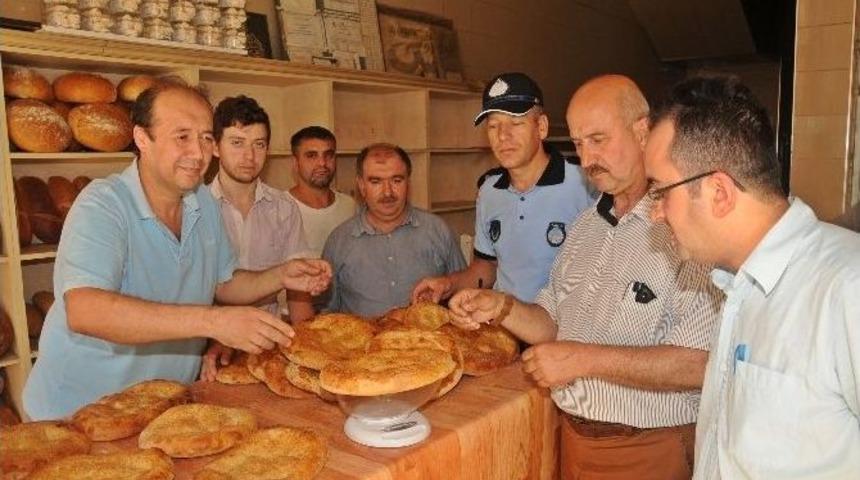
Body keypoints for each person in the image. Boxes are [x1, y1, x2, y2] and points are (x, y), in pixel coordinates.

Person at [447, 75, 722, 480]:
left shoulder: (686, 228)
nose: (587, 157)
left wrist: (580, 359)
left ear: (643, 131)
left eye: (598, 139)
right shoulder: (584, 228)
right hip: (573, 438)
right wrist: (500, 307)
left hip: (649, 448)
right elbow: (550, 323)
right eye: (577, 143)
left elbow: (699, 364)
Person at [22, 81, 331, 420]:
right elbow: (86, 311)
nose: (199, 154)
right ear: (142, 138)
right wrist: (213, 322)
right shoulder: (103, 204)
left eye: (206, 137)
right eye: (182, 136)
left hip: (163, 407)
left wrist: (281, 275)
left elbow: (223, 283)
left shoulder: (202, 202)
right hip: (80, 412)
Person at [645, 76, 860, 479]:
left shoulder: (846, 287)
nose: (655, 212)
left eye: (660, 192)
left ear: (719, 192)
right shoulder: (736, 285)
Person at [412, 72, 593, 305]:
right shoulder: (489, 191)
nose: (503, 136)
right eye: (493, 126)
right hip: (504, 327)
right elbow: (486, 267)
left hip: (565, 332)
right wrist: (448, 284)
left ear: (542, 127)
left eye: (516, 123)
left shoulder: (585, 185)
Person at [323, 143, 465, 317]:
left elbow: (463, 294)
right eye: (376, 182)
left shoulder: (437, 230)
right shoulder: (339, 241)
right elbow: (326, 313)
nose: (388, 192)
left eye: (397, 180)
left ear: (408, 182)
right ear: (361, 185)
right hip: (364, 343)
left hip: (429, 342)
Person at [209, 95, 313, 321]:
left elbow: (298, 291)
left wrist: (305, 341)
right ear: (215, 147)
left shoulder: (284, 208)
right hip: (210, 342)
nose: (249, 156)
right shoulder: (195, 208)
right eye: (237, 143)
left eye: (259, 144)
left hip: (268, 340)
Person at [286, 126, 356, 257]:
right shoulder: (278, 209)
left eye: (328, 155)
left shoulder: (349, 206)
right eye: (312, 156)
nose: (322, 163)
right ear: (295, 162)